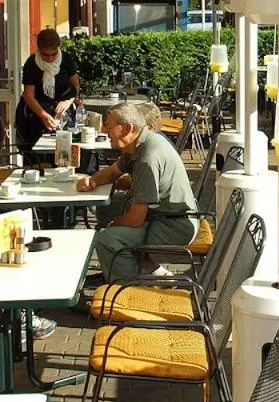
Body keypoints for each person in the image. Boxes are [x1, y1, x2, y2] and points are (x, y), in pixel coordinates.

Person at [80, 102, 198, 279]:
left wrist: (112, 226)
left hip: (173, 227)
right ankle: (147, 271)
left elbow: (135, 219)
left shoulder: (147, 159)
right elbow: (113, 172)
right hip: (163, 217)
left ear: (127, 128)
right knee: (107, 208)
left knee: (106, 239)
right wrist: (92, 181)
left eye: (109, 126)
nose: (104, 130)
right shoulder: (138, 142)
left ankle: (127, 287)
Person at [15, 28, 81, 145]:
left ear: (58, 48)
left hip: (62, 110)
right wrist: (43, 115)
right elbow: (28, 95)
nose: (50, 58)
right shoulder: (31, 63)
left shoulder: (66, 59)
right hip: (37, 112)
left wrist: (67, 102)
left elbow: (75, 85)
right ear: (39, 50)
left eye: (53, 54)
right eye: (45, 55)